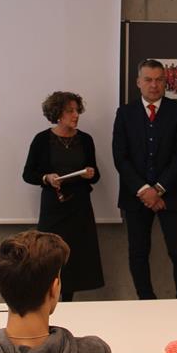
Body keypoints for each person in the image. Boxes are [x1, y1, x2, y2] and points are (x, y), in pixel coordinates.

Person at [112, 59, 177, 299]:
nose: (154, 85)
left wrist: (158, 189)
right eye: (148, 79)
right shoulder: (125, 113)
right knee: (138, 253)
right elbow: (120, 156)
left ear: (165, 82)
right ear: (138, 82)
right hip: (136, 196)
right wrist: (143, 190)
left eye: (159, 80)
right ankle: (146, 300)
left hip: (172, 194)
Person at [23, 91, 104, 301]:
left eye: (77, 110)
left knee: (75, 261)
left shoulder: (85, 140)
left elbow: (95, 175)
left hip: (79, 207)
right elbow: (28, 174)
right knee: (49, 256)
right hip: (54, 207)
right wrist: (46, 177)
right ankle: (47, 303)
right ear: (57, 113)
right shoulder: (42, 140)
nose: (76, 115)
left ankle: (68, 304)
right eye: (70, 111)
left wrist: (90, 173)